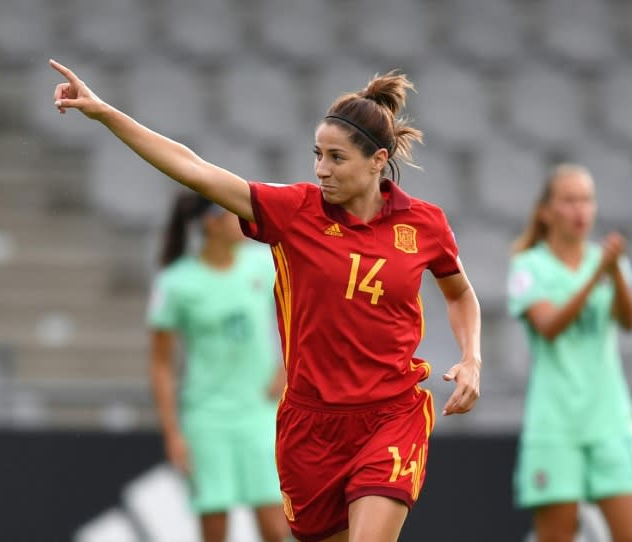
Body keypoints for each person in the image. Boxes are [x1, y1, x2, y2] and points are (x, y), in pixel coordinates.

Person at [50, 58, 481, 542]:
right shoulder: (294, 211)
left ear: (377, 161)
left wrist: (471, 358)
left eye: (336, 158)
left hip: (391, 414)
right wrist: (107, 113)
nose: (321, 169)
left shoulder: (424, 224)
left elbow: (460, 293)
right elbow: (194, 170)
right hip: (310, 427)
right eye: (317, 155)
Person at [507, 164, 632, 542]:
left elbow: (630, 319)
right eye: (569, 201)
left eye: (586, 200)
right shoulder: (528, 266)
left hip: (610, 422)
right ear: (546, 211)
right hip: (556, 426)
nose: (580, 210)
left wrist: (614, 273)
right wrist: (597, 274)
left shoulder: (608, 261)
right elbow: (549, 327)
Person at [147, 191, 288, 542]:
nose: (245, 221)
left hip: (261, 412)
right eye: (233, 214)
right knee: (214, 527)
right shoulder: (176, 283)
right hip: (207, 417)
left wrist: (289, 366)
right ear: (211, 223)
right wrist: (172, 432)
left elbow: (308, 311)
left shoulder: (263, 263)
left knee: (276, 526)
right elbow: (160, 363)